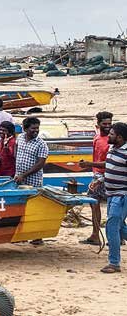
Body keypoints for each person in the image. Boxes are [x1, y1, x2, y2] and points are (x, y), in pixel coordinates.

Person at [78, 111, 114, 246]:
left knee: (110, 205)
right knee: (95, 203)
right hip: (97, 175)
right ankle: (96, 234)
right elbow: (96, 156)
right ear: (98, 124)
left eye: (110, 124)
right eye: (104, 124)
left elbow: (110, 162)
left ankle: (102, 235)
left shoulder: (111, 141)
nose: (107, 126)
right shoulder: (97, 137)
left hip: (108, 176)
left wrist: (90, 165)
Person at [98, 122, 127, 274]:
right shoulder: (112, 148)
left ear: (120, 137)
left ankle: (114, 262)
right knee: (120, 229)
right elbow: (110, 166)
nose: (108, 135)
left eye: (111, 134)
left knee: (111, 227)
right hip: (111, 194)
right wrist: (100, 179)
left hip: (121, 196)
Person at [14, 117, 49, 188]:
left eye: (37, 128)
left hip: (33, 181)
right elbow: (16, 147)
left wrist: (23, 175)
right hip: (18, 178)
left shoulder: (41, 144)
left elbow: (40, 164)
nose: (36, 130)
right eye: (33, 128)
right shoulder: (20, 137)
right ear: (25, 129)